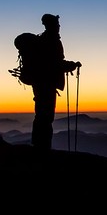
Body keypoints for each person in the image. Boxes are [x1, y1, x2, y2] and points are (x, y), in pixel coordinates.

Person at [30, 13, 81, 151]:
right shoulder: (51, 41)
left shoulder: (43, 40)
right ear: (51, 25)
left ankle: (38, 145)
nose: (59, 27)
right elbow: (54, 64)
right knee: (46, 116)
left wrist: (69, 65)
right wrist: (71, 65)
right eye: (57, 25)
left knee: (41, 114)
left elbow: (52, 63)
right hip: (47, 83)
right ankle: (43, 147)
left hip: (40, 83)